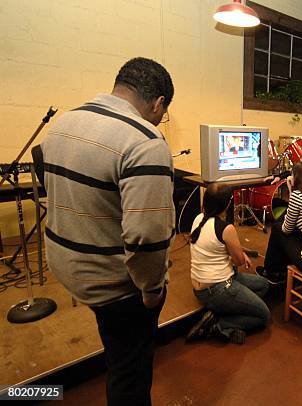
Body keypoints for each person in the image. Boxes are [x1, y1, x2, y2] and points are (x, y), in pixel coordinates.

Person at [41, 57, 175, 405]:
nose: (161, 119)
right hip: (115, 287)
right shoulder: (145, 140)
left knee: (116, 348)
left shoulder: (63, 123)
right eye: (163, 112)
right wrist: (151, 290)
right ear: (158, 103)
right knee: (129, 374)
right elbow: (146, 236)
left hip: (67, 265)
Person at [186, 183, 270, 345]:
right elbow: (238, 262)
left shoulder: (198, 219)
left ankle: (224, 312)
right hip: (218, 288)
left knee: (263, 284)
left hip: (201, 287)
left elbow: (219, 249)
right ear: (227, 205)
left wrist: (239, 253)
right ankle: (219, 325)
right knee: (263, 315)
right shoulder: (227, 229)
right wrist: (240, 255)